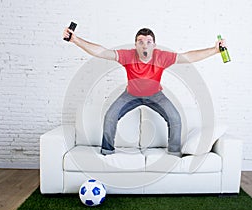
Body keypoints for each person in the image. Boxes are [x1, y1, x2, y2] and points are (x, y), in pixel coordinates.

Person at [63, 27, 227, 157]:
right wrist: (75, 39)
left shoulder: (161, 57)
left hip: (156, 95)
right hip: (131, 95)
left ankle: (174, 155)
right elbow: (102, 52)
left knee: (175, 118)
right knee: (110, 116)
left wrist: (214, 50)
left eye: (149, 41)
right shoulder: (128, 55)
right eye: (140, 41)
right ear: (136, 45)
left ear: (154, 45)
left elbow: (188, 57)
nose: (144, 45)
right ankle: (107, 152)